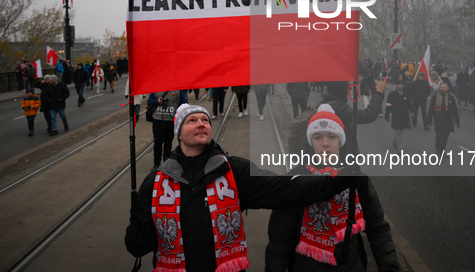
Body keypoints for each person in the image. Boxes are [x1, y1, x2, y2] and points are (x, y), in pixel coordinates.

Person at [125, 104, 357, 272]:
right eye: (192, 120)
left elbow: (285, 189)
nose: (201, 124)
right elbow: (142, 246)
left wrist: (334, 181)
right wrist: (137, 237)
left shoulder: (234, 171)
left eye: (205, 120)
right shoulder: (155, 182)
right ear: (179, 134)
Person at [265, 104, 400, 271]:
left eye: (331, 137)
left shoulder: (357, 180)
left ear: (341, 141)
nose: (325, 143)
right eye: (318, 137)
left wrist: (390, 267)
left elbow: (378, 229)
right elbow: (279, 241)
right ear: (311, 142)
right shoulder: (295, 181)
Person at [147, 90, 187, 167]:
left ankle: (166, 161)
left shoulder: (178, 90)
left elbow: (183, 104)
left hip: (170, 120)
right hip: (158, 119)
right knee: (158, 142)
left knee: (168, 142)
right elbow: (150, 102)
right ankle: (157, 163)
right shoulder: (156, 88)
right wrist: (157, 101)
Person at [427, 83, 460, 157]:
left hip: (448, 120)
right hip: (438, 119)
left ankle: (442, 150)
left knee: (445, 136)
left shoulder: (451, 98)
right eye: (441, 87)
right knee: (439, 135)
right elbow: (431, 108)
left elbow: (455, 109)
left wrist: (457, 119)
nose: (442, 89)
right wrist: (429, 118)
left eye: (444, 87)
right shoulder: (435, 97)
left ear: (447, 88)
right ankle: (437, 150)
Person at [385, 80, 413, 153]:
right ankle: (399, 148)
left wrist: (412, 112)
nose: (400, 86)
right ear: (396, 86)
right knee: (398, 131)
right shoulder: (392, 95)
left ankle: (395, 142)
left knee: (400, 130)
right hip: (396, 115)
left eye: (401, 84)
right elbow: (388, 105)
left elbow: (409, 104)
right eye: (398, 84)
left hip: (404, 115)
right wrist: (387, 115)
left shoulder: (406, 94)